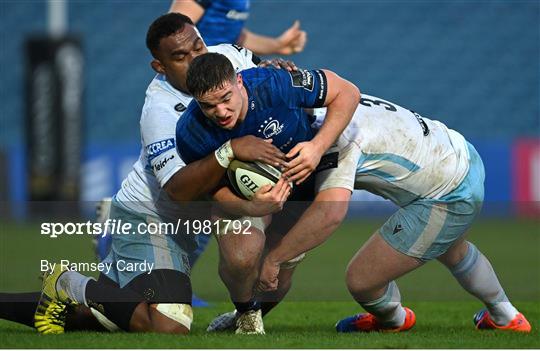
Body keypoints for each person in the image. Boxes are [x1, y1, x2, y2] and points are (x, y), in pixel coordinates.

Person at [0, 13, 296, 335]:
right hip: (150, 218)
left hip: (189, 225)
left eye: (198, 47)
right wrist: (231, 150)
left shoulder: (228, 56)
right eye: (181, 57)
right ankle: (68, 281)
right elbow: (178, 191)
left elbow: (264, 83)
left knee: (106, 318)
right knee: (169, 326)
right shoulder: (160, 111)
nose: (197, 58)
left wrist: (278, 72)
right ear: (160, 67)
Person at [254, 96, 532, 333]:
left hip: (447, 195)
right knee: (450, 248)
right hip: (459, 153)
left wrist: (275, 260)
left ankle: (394, 319)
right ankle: (506, 316)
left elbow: (330, 214)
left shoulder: (337, 141)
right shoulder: (333, 101)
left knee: (361, 280)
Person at [174, 52, 360, 334]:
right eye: (208, 106)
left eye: (226, 99)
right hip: (243, 200)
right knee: (240, 257)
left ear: (239, 82)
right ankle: (246, 314)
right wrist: (253, 208)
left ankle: (253, 310)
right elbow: (212, 191)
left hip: (300, 189)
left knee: (274, 280)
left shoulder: (274, 84)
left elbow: (347, 92)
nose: (221, 112)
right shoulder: (190, 132)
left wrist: (318, 147)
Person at [170, 0, 307, 55]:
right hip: (198, 87)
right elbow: (172, 34)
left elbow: (236, 36)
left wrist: (279, 45)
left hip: (221, 78)